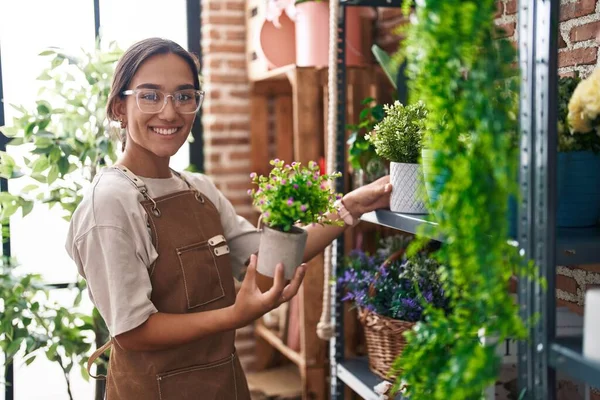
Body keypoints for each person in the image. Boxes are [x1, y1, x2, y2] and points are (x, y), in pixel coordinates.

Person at [65, 37, 392, 400]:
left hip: (224, 386)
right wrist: (237, 315)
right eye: (150, 95)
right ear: (118, 108)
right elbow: (133, 331)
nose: (170, 112)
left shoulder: (197, 188)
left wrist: (351, 207)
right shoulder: (111, 202)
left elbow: (268, 257)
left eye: (184, 96)